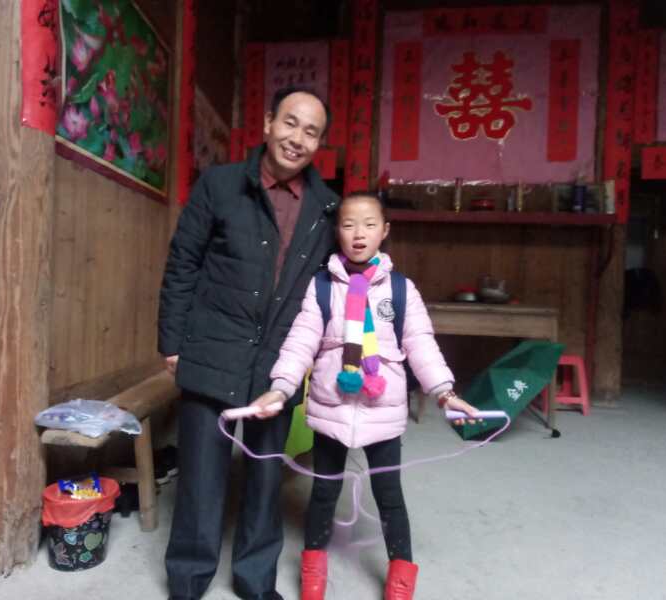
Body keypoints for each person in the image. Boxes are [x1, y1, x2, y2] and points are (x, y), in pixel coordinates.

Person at [250, 192, 479, 600]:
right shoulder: (322, 287)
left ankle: (400, 580)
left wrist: (444, 392)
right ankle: (313, 573)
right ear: (337, 232)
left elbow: (421, 343)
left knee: (389, 496)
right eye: (349, 224)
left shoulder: (401, 290)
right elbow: (301, 341)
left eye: (369, 225)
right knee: (324, 493)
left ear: (384, 231)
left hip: (382, 411)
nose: (359, 234)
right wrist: (281, 387)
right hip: (332, 408)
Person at [157, 86, 339, 600]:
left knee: (264, 481)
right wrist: (172, 341)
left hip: (278, 364)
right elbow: (183, 264)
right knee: (200, 478)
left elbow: (338, 288)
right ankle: (188, 582)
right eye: (290, 123)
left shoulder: (327, 208)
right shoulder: (219, 185)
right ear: (267, 123)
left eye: (311, 132)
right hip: (211, 347)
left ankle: (256, 582)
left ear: (319, 144)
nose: (297, 138)